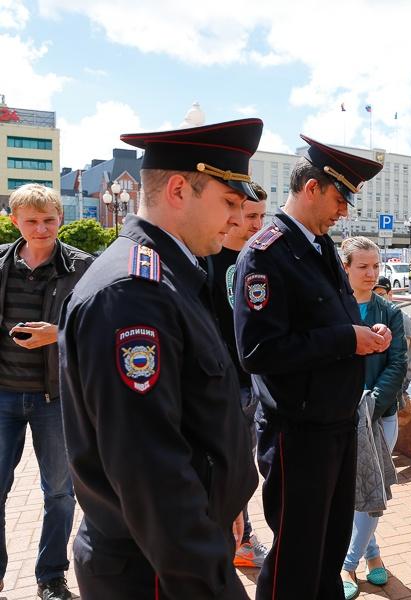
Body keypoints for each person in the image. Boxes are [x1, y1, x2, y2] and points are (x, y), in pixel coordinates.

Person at [58, 119, 263, 599]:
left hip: (172, 554)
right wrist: (214, 584)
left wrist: (227, 502)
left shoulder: (165, 277)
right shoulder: (135, 294)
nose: (238, 219)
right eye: (229, 203)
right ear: (177, 190)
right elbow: (150, 472)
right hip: (156, 569)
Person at [233, 134, 388, 600]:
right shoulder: (266, 253)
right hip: (298, 430)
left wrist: (361, 338)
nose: (344, 211)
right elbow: (257, 351)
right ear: (313, 188)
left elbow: (327, 322)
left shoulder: (319, 247)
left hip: (336, 423)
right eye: (340, 198)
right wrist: (348, 338)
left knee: (329, 548)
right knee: (296, 560)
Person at [0, 185, 93, 600]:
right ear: (15, 221)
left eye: (49, 220)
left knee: (59, 491)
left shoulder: (82, 267)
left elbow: (99, 326)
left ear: (61, 218)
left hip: (54, 399)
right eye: (32, 221)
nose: (41, 229)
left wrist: (58, 335)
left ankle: (51, 576)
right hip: (1, 397)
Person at [205, 182, 269, 569]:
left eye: (263, 217)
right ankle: (225, 541)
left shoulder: (261, 259)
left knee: (244, 469)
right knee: (220, 467)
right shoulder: (206, 257)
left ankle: (241, 538)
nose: (257, 225)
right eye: (250, 216)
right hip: (216, 383)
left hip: (253, 383)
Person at [338, 239, 407, 600]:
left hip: (381, 417)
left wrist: (372, 405)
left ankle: (347, 563)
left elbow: (397, 364)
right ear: (346, 267)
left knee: (372, 488)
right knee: (353, 489)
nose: (372, 273)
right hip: (342, 414)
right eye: (363, 267)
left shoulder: (388, 312)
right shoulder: (336, 307)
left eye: (376, 266)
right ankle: (373, 553)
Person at [374, 276, 411, 407]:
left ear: (390, 295)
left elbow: (399, 363)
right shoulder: (380, 317)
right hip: (384, 375)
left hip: (400, 380)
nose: (378, 299)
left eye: (381, 295)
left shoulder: (401, 320)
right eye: (374, 295)